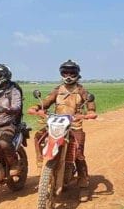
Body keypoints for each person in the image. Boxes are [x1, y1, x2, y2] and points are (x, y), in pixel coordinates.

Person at [33, 59, 97, 188]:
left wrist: (90, 112)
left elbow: (90, 104)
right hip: (57, 124)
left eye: (71, 73)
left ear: (77, 74)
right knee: (39, 136)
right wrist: (36, 108)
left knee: (78, 153)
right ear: (61, 74)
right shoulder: (58, 90)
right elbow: (45, 102)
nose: (68, 76)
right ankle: (41, 161)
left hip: (74, 125)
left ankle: (83, 181)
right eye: (65, 73)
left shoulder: (81, 90)